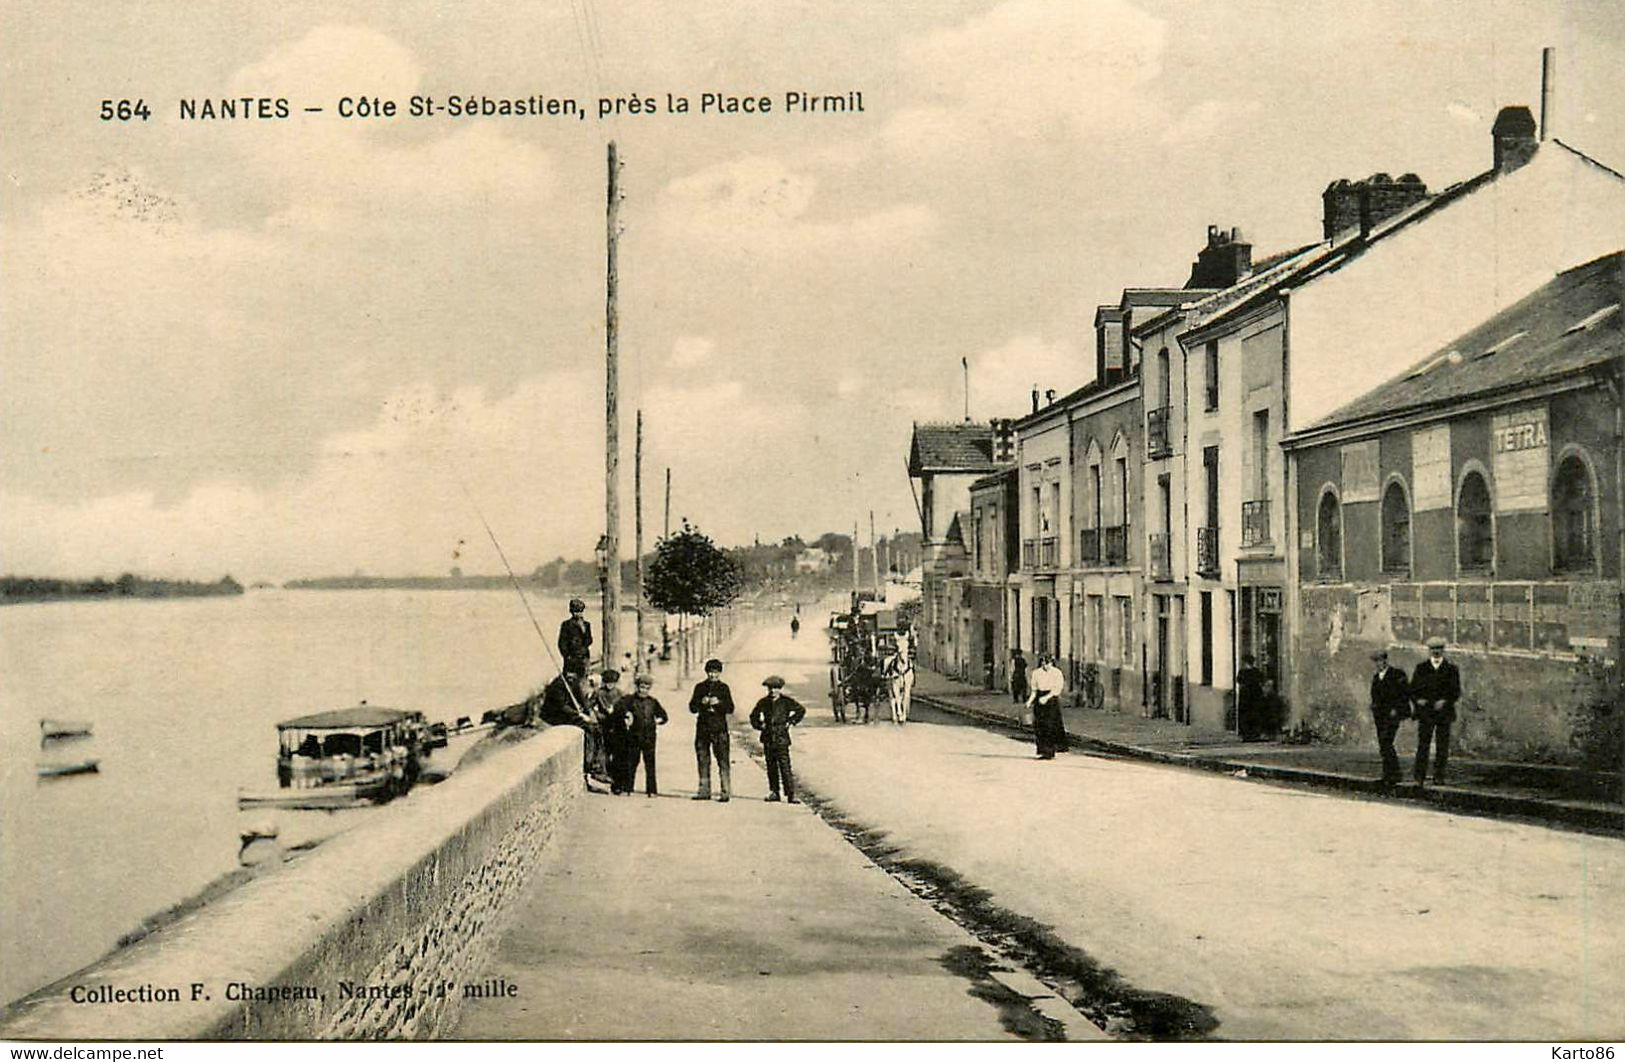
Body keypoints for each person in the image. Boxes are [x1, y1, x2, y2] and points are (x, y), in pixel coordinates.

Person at [537, 671, 606, 789]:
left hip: (572, 714)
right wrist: (579, 715)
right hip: (556, 717)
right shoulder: (558, 685)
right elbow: (562, 707)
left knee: (596, 730)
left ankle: (595, 767)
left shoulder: (575, 682)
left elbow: (581, 700)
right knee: (588, 730)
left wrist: (587, 712)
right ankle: (588, 768)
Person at [1409, 636, 1461, 786]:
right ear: (1429, 651)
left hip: (1443, 713)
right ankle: (1419, 776)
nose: (1436, 652)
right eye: (1433, 649)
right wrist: (1418, 701)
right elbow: (1413, 689)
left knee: (1442, 745)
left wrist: (1445, 701)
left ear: (1443, 650)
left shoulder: (1451, 669)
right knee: (1423, 744)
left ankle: (1439, 775)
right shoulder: (1422, 668)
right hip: (1426, 713)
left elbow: (1456, 691)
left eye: (1439, 649)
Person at [750, 675, 806, 803]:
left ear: (780, 689)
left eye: (776, 688)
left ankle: (791, 794)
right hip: (768, 737)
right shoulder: (763, 702)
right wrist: (760, 725)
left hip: (781, 738)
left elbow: (801, 710)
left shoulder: (786, 701)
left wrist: (791, 721)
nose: (772, 691)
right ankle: (774, 792)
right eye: (770, 688)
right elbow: (753, 716)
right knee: (771, 766)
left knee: (785, 766)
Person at [613, 672, 669, 797]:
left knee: (650, 764)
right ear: (637, 687)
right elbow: (618, 709)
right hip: (634, 737)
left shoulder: (653, 702)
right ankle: (628, 788)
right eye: (641, 687)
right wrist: (626, 715)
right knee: (631, 763)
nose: (643, 690)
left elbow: (664, 717)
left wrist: (657, 721)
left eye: (647, 688)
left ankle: (652, 790)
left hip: (649, 737)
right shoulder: (629, 700)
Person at [689, 658, 735, 802]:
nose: (712, 675)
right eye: (710, 672)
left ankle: (725, 791)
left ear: (719, 673)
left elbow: (730, 708)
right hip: (702, 729)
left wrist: (719, 703)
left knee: (723, 760)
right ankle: (704, 790)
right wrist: (700, 703)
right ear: (706, 672)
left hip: (719, 729)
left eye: (715, 672)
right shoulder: (699, 687)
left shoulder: (724, 688)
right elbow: (692, 707)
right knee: (703, 759)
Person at [1368, 649, 1410, 787]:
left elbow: (1404, 694)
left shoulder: (1396, 674)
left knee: (1386, 741)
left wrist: (1397, 709)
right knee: (1383, 744)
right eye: (1376, 662)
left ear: (1385, 661)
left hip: (1393, 715)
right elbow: (1374, 696)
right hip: (1380, 715)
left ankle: (1394, 774)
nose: (1378, 664)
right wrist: (1373, 706)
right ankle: (1388, 774)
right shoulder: (1376, 677)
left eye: (1380, 661)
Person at [1026, 652, 1068, 759]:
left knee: (1050, 726)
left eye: (1048, 663)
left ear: (1051, 663)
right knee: (1039, 726)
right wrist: (1030, 701)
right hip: (1039, 700)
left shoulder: (1057, 673)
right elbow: (1034, 690)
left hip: (1051, 700)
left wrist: (1046, 698)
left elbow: (1057, 689)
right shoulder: (1036, 673)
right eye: (1043, 664)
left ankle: (1050, 751)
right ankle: (1042, 750)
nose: (1046, 666)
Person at [593, 669, 628, 794]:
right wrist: (599, 715)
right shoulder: (599, 693)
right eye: (607, 682)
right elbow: (591, 707)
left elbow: (626, 708)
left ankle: (618, 781)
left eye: (612, 683)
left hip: (618, 726)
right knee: (605, 752)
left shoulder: (620, 694)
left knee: (618, 753)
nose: (609, 685)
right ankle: (608, 776)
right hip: (605, 725)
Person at [558, 599, 593, 677]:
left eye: (580, 611)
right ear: (571, 612)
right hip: (571, 658)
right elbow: (562, 643)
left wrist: (584, 631)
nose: (578, 614)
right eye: (576, 611)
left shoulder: (586, 625)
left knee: (583, 678)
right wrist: (567, 656)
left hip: (583, 658)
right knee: (570, 678)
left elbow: (589, 641)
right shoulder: (566, 625)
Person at [1235, 655, 1267, 740]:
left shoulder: (1242, 672)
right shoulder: (1256, 671)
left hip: (1245, 696)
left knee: (1245, 715)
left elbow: (1239, 681)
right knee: (1255, 714)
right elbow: (1262, 680)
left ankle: (1246, 734)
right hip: (1255, 695)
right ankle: (1255, 734)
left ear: (1245, 663)